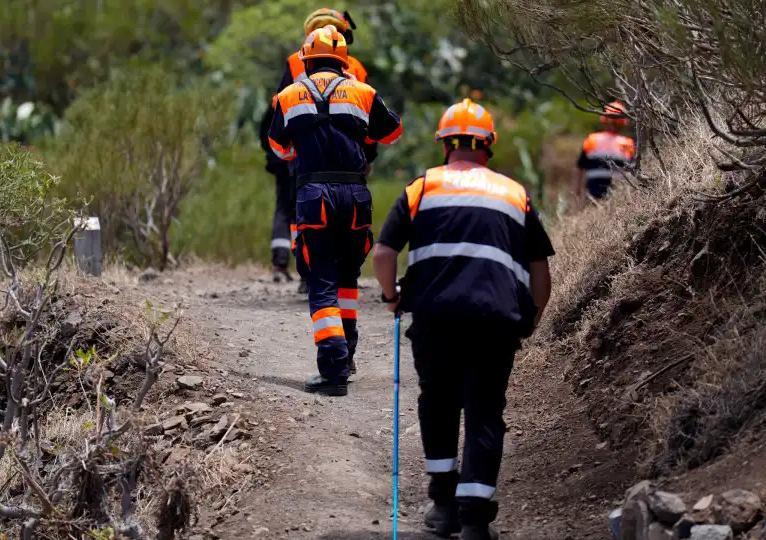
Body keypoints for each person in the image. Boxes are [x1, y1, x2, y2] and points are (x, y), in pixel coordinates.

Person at [372, 98, 554, 540]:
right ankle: (474, 519)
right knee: (485, 410)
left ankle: (442, 505)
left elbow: (382, 253)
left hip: (435, 318)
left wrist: (392, 296)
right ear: (488, 146)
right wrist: (531, 317)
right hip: (495, 320)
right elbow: (540, 271)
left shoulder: (422, 187)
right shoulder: (514, 193)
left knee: (438, 402)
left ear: (445, 144)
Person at [268, 25, 402, 395]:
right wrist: (357, 135)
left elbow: (279, 148)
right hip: (355, 195)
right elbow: (391, 133)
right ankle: (347, 355)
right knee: (347, 280)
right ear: (344, 60)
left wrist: (306, 148)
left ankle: (332, 370)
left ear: (307, 61)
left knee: (321, 281)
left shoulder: (288, 96)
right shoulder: (363, 91)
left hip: (314, 196)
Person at [259, 8, 373, 292]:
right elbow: (371, 117)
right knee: (346, 215)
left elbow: (278, 108)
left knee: (304, 211)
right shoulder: (356, 68)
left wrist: (280, 151)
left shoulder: (294, 62)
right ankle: (341, 273)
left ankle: (306, 271)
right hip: (349, 157)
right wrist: (369, 155)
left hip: (305, 154)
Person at [575, 100, 636, 202]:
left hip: (593, 196)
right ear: (623, 123)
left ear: (604, 119)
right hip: (617, 198)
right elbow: (632, 172)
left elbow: (580, 168)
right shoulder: (628, 144)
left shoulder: (592, 140)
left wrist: (577, 191)